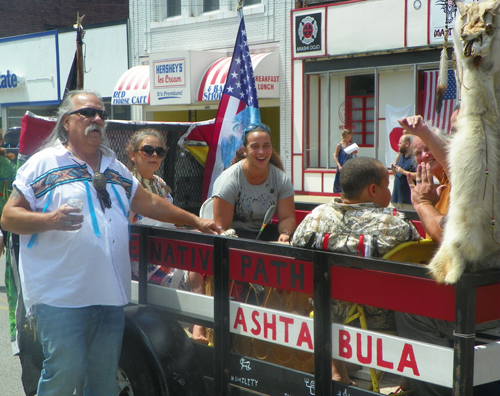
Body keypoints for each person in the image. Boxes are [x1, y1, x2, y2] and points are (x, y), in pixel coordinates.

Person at [0, 89, 219, 396]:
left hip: (109, 299)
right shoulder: (42, 164)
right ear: (66, 122)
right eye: (87, 113)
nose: (97, 119)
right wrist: (49, 220)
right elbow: (8, 217)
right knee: (63, 373)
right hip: (60, 299)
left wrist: (194, 220)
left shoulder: (114, 167)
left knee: (103, 382)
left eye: (101, 113)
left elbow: (149, 203)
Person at [292, 156, 420, 385]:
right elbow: (422, 253)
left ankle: (337, 370)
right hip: (380, 319)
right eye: (386, 186)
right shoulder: (395, 225)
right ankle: (408, 380)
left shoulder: (315, 218)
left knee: (328, 293)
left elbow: (297, 243)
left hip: (326, 312)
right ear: (373, 189)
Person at [125, 129, 208, 343]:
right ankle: (197, 327)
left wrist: (197, 228)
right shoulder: (126, 186)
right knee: (197, 271)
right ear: (133, 155)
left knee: (208, 264)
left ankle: (199, 325)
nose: (154, 156)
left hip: (169, 251)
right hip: (144, 258)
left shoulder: (161, 184)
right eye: (148, 150)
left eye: (159, 151)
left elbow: (172, 221)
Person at [212, 122, 296, 242]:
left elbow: (287, 217)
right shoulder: (228, 180)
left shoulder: (281, 179)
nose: (261, 151)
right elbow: (222, 229)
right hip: (234, 237)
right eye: (255, 146)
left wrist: (285, 233)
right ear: (244, 150)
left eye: (266, 146)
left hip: (263, 233)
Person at [397, 116, 452, 242]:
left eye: (428, 148)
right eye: (417, 153)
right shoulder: (438, 186)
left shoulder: (456, 180)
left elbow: (447, 236)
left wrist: (423, 204)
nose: (424, 156)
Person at [390, 134, 416, 209]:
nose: (398, 145)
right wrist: (395, 171)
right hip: (396, 198)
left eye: (400, 143)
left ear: (407, 144)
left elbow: (419, 176)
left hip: (408, 200)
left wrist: (403, 172)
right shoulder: (401, 157)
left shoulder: (415, 159)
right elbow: (400, 175)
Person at [333, 128, 356, 193]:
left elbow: (353, 156)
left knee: (349, 183)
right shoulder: (339, 145)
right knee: (340, 184)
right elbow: (335, 156)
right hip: (342, 167)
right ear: (346, 134)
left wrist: (354, 154)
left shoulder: (350, 145)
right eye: (351, 135)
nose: (351, 137)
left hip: (349, 167)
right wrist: (339, 165)